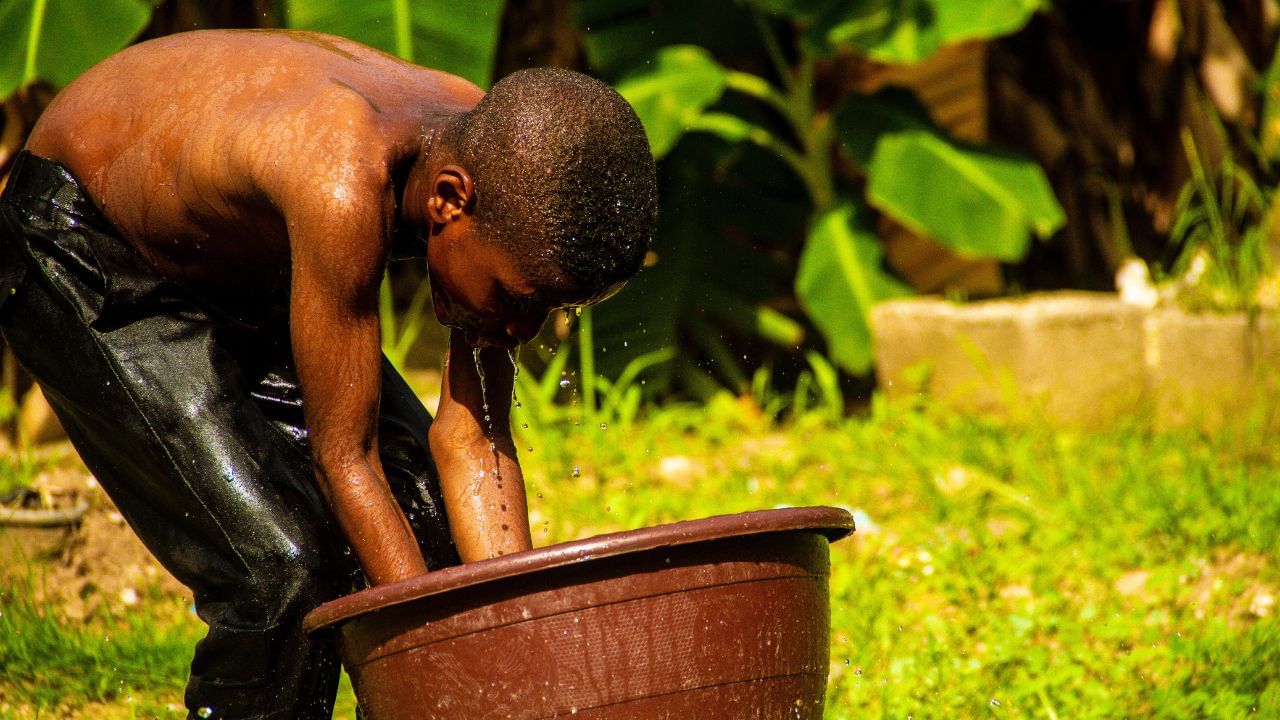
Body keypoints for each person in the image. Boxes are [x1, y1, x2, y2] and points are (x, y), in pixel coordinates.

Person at [0, 29, 656, 719]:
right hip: (82, 242)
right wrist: (438, 664)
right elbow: (346, 460)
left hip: (234, 262)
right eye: (517, 301)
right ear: (449, 203)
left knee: (428, 520)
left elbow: (474, 444)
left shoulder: (491, 154)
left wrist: (513, 646)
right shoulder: (346, 177)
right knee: (279, 574)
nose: (521, 332)